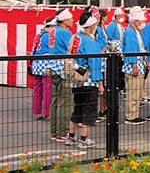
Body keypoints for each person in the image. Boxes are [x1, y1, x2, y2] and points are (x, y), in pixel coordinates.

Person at [67, 14, 104, 148]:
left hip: (75, 79)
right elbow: (95, 63)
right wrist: (100, 83)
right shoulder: (89, 41)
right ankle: (84, 138)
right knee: (89, 110)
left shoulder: (75, 37)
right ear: (92, 25)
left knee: (77, 108)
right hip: (88, 80)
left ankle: (71, 136)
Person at [48, 9, 75, 142]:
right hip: (63, 68)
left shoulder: (53, 30)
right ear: (64, 20)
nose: (72, 21)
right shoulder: (65, 32)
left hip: (53, 67)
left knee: (55, 101)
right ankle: (62, 132)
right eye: (70, 18)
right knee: (65, 102)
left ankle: (54, 131)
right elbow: (72, 48)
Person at [122, 10, 149, 124]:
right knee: (133, 91)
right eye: (142, 20)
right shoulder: (130, 32)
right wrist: (134, 65)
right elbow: (131, 49)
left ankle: (135, 114)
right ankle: (131, 116)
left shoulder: (136, 31)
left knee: (137, 91)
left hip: (139, 63)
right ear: (136, 21)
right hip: (134, 64)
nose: (143, 23)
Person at [31, 16, 56, 121]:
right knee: (47, 89)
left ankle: (36, 112)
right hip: (46, 64)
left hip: (36, 63)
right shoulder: (48, 36)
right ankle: (47, 113)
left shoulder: (39, 35)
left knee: (37, 89)